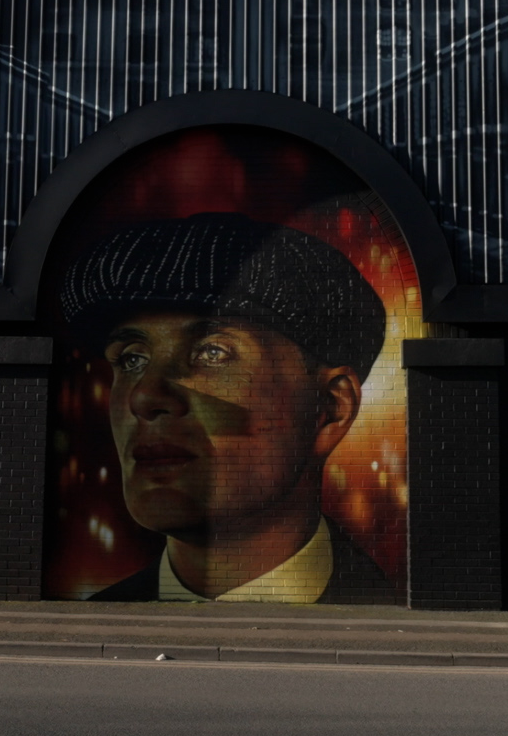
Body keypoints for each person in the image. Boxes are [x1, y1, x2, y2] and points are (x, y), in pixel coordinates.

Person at [61, 212, 394, 604]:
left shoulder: (381, 609)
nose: (144, 396)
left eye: (213, 353)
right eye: (132, 359)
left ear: (330, 409)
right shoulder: (101, 615)